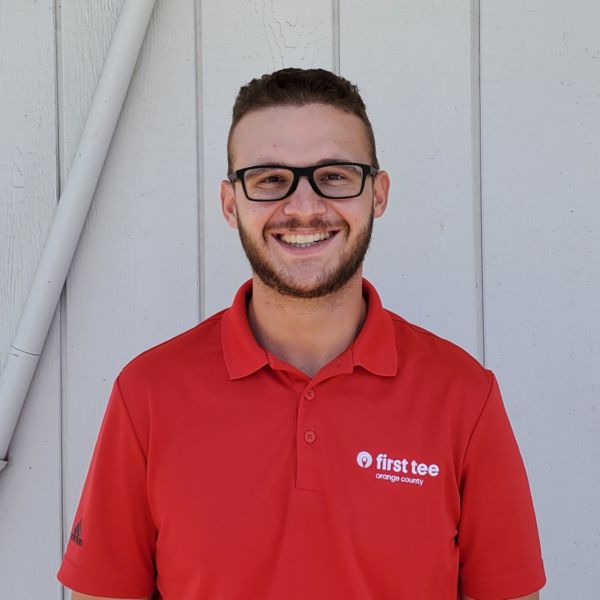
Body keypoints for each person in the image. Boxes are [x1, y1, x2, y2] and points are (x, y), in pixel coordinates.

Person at [58, 68, 546, 600]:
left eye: (334, 175)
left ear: (378, 195)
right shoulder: (148, 394)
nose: (304, 208)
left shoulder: (463, 396)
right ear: (230, 204)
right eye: (270, 179)